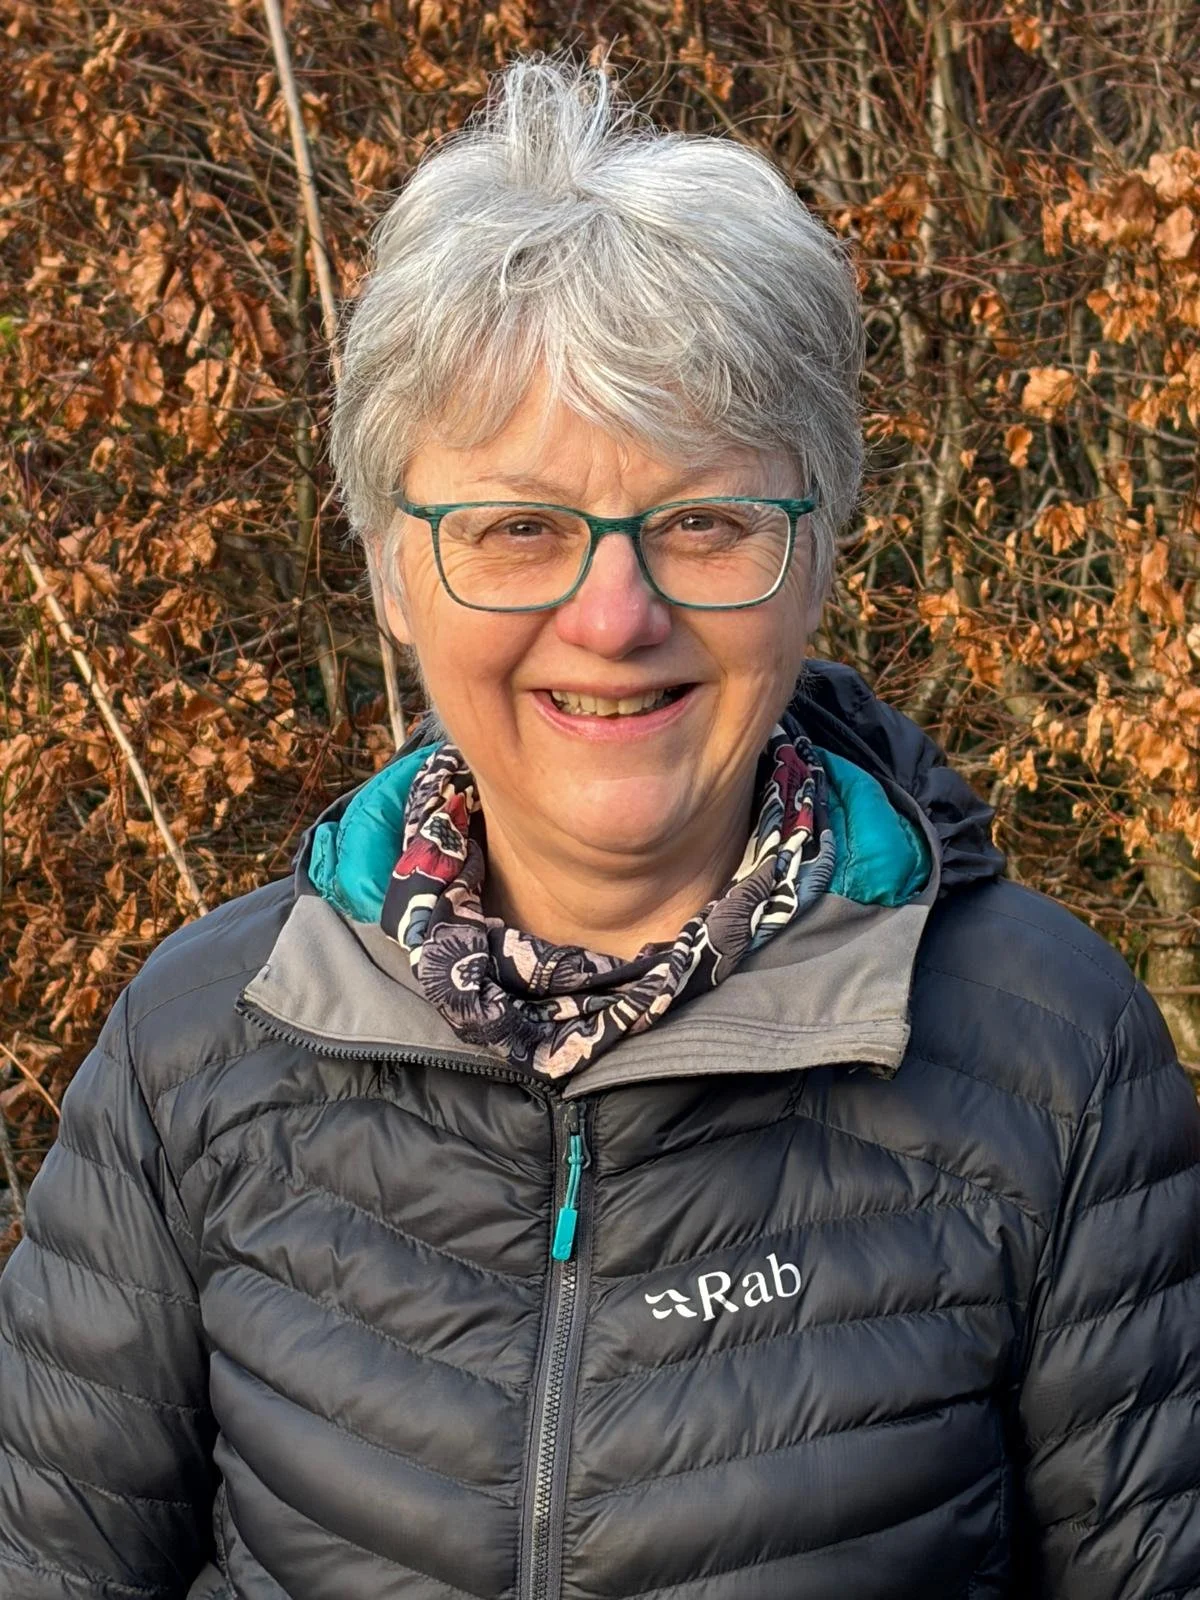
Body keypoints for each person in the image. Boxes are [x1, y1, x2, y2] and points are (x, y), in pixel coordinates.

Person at [1, 57, 1197, 1600]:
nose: (614, 614)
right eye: (518, 527)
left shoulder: (1058, 1061)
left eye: (703, 520)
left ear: (815, 556)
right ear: (389, 571)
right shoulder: (196, 1048)